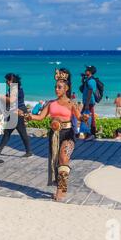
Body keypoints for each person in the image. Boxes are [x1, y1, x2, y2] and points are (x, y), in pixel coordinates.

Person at [22, 69, 88, 201]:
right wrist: (29, 116)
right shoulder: (50, 103)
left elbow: (79, 117)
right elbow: (40, 117)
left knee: (64, 158)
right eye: (55, 87)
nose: (56, 89)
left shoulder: (71, 104)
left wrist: (84, 117)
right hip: (54, 135)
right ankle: (60, 186)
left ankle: (61, 189)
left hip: (68, 134)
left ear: (66, 88)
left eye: (59, 87)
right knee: (56, 162)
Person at [0, 73, 32, 158]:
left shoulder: (14, 88)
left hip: (17, 112)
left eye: (7, 80)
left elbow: (12, 100)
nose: (6, 82)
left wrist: (1, 96)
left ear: (11, 80)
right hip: (16, 112)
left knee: (18, 132)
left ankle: (28, 151)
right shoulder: (15, 88)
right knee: (9, 132)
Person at [81, 65, 98, 141]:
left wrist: (87, 104)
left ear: (90, 72)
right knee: (86, 117)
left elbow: (90, 92)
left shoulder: (91, 81)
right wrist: (83, 80)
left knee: (88, 118)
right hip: (87, 102)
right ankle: (89, 134)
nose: (85, 71)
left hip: (89, 102)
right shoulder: (88, 80)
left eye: (87, 70)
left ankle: (91, 134)